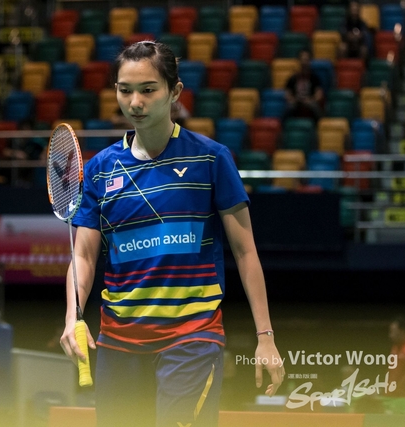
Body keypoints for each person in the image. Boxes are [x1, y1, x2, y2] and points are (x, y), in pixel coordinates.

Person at [59, 41, 284, 427]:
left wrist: (265, 336)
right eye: (125, 90)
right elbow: (83, 256)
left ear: (174, 92)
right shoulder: (100, 169)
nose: (135, 102)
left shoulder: (210, 159)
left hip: (191, 335)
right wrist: (71, 316)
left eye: (148, 90)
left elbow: (245, 251)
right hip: (119, 340)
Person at [284, 48, 324, 123]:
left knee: (315, 108)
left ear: (309, 61)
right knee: (289, 108)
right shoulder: (293, 78)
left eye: (306, 60)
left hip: (310, 101)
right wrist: (293, 100)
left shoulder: (314, 78)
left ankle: (318, 126)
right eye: (302, 59)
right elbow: (287, 94)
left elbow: (319, 94)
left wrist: (310, 100)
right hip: (297, 101)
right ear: (299, 61)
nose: (304, 62)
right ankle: (285, 127)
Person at [389, 316, 405, 397]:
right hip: (391, 395)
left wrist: (397, 391)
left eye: (393, 332)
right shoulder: (394, 349)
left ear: (403, 331)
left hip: (404, 397)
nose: (390, 335)